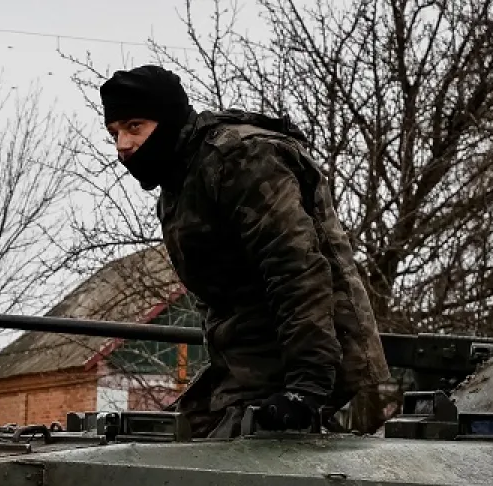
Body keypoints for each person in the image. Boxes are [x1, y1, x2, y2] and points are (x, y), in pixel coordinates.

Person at [100, 64, 390, 438]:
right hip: (249, 375)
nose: (123, 145)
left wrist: (307, 387)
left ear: (168, 120)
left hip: (328, 379)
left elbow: (296, 271)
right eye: (115, 133)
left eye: (134, 127)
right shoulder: (180, 184)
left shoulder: (242, 159)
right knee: (147, 443)